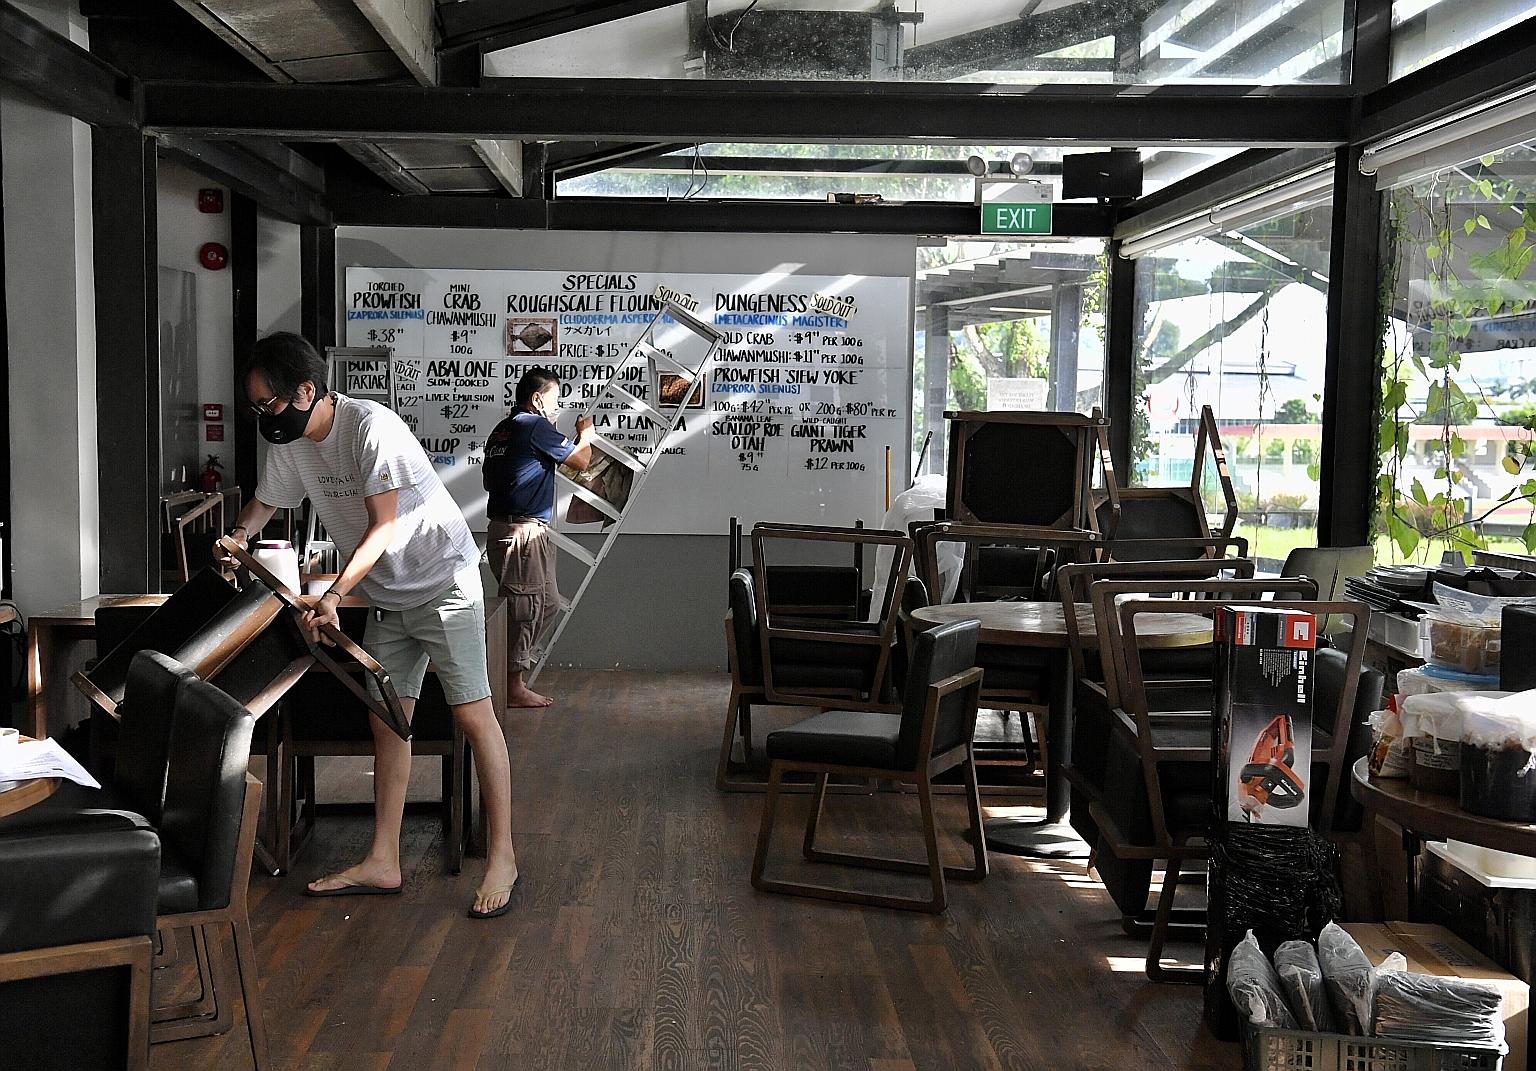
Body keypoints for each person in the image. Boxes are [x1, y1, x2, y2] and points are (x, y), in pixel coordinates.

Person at [225, 332, 521, 919]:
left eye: (268, 404)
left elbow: (383, 526)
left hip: (443, 580)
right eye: (256, 406)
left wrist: (335, 594)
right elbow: (267, 502)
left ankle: (503, 856)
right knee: (389, 721)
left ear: (305, 391)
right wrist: (238, 536)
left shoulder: (370, 428)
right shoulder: (290, 441)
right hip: (389, 595)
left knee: (472, 715)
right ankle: (384, 858)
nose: (264, 417)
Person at [482, 367, 596, 707]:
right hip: (522, 534)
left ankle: (506, 673)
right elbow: (581, 460)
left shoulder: (502, 429)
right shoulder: (534, 426)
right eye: (555, 399)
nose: (558, 406)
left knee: (546, 603)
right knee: (524, 608)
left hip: (515, 529)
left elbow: (490, 479)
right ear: (537, 398)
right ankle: (509, 685)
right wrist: (586, 434)